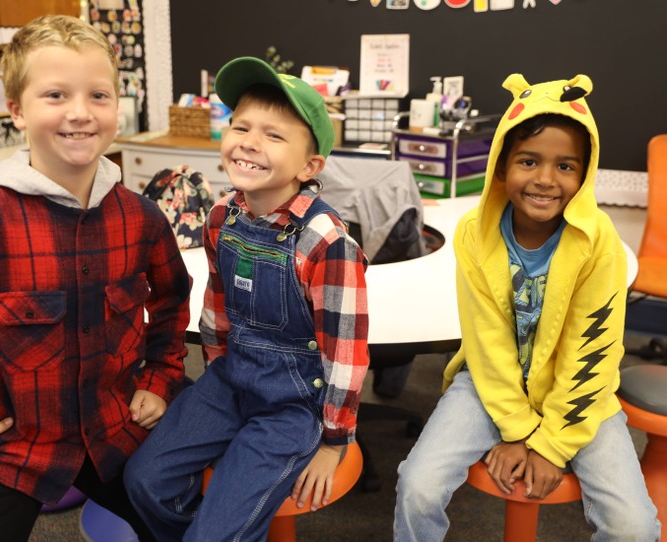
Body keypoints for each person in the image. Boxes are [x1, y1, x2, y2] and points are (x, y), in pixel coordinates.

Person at [0, 15, 191, 542]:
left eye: (99, 95)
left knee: (193, 522)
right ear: (16, 109)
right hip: (16, 447)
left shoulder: (140, 218)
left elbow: (174, 301)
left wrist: (160, 376)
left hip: (118, 429)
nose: (81, 114)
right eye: (56, 95)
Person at [394, 74, 661, 541]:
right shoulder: (474, 234)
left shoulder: (602, 246)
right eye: (529, 161)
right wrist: (516, 429)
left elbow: (591, 354)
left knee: (634, 527)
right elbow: (486, 343)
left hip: (580, 398)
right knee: (418, 485)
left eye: (565, 166)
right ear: (500, 166)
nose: (544, 179)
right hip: (488, 386)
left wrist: (551, 446)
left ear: (585, 173)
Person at [125, 56, 370, 541]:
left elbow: (346, 355)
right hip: (230, 382)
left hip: (294, 406)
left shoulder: (324, 241)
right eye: (241, 127)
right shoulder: (221, 216)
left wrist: (333, 442)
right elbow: (217, 306)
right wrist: (218, 374)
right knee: (143, 482)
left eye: (274, 136)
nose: (250, 143)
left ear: (310, 166)